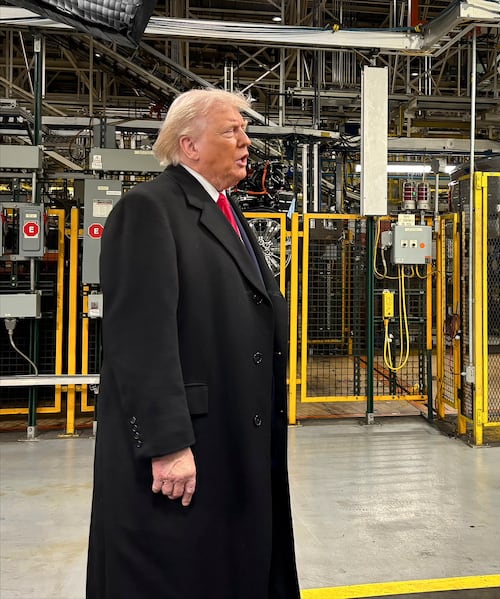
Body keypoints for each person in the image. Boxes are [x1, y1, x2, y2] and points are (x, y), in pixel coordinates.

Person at [87, 88, 300, 599]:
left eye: (244, 130)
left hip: (230, 435)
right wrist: (166, 443)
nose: (246, 142)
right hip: (188, 446)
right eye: (232, 130)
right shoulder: (149, 210)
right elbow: (139, 338)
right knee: (175, 572)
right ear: (189, 145)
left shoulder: (226, 211)